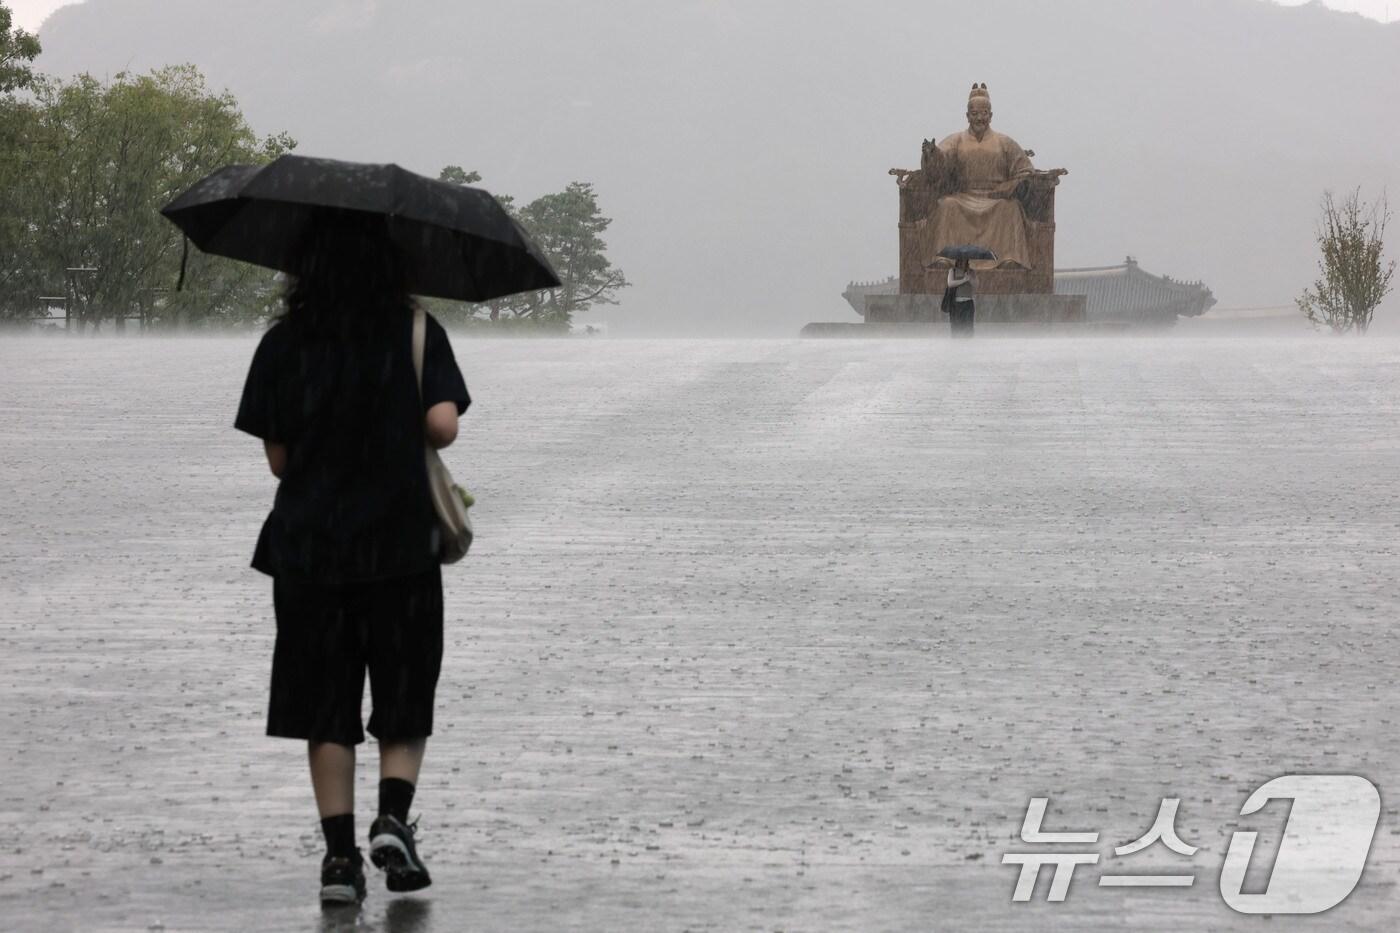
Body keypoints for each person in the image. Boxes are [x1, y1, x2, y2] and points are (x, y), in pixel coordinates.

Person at [233, 211, 471, 906]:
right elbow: (443, 426)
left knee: (326, 707)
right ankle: (392, 817)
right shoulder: (416, 330)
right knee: (404, 697)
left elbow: (279, 462)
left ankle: (339, 860)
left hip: (310, 549)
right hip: (400, 546)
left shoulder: (283, 343)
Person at [945, 258, 977, 336]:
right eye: (960, 260)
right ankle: (956, 340)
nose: (961, 262)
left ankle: (968, 340)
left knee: (968, 326)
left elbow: (976, 285)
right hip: (956, 303)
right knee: (956, 325)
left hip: (968, 302)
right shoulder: (952, 270)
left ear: (967, 261)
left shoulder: (971, 271)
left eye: (963, 260)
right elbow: (950, 283)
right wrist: (964, 280)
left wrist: (970, 278)